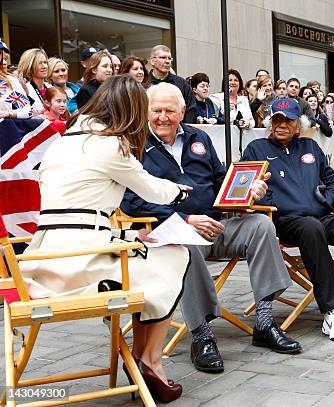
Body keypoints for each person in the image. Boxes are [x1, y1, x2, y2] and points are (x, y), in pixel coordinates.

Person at [20, 76, 191, 403]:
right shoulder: (109, 144)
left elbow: (76, 214)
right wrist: (181, 191)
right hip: (81, 264)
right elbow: (151, 188)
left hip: (43, 260)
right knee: (173, 254)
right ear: (131, 110)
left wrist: (127, 234)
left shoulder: (62, 141)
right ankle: (150, 359)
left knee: (147, 256)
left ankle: (144, 360)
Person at [121, 83, 301, 372]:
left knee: (260, 225)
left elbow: (222, 183)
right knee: (185, 245)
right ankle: (202, 335)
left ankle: (265, 323)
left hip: (214, 225)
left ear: (182, 111)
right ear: (146, 112)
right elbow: (130, 201)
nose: (163, 117)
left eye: (170, 111)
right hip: (165, 235)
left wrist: (247, 190)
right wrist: (186, 221)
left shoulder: (199, 138)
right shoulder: (134, 145)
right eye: (156, 111)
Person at [242, 98, 334, 342]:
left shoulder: (310, 147)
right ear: (270, 122)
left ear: (298, 125)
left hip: (320, 214)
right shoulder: (256, 149)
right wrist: (281, 204)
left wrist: (328, 200)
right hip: (285, 220)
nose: (281, 125)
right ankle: (333, 309)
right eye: (276, 119)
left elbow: (333, 182)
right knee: (311, 228)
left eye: (287, 120)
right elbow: (253, 188)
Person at [149, 45, 197, 123]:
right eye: (163, 58)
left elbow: (191, 109)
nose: (167, 61)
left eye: (169, 58)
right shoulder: (143, 84)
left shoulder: (181, 83)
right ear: (152, 61)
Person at [0, 39, 33, 119]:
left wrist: (10, 114)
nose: (4, 63)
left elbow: (27, 111)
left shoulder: (9, 82)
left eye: (5, 59)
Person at [17, 48, 48, 116]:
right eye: (40, 63)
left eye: (45, 62)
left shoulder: (51, 88)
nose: (44, 66)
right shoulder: (24, 89)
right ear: (30, 67)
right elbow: (22, 114)